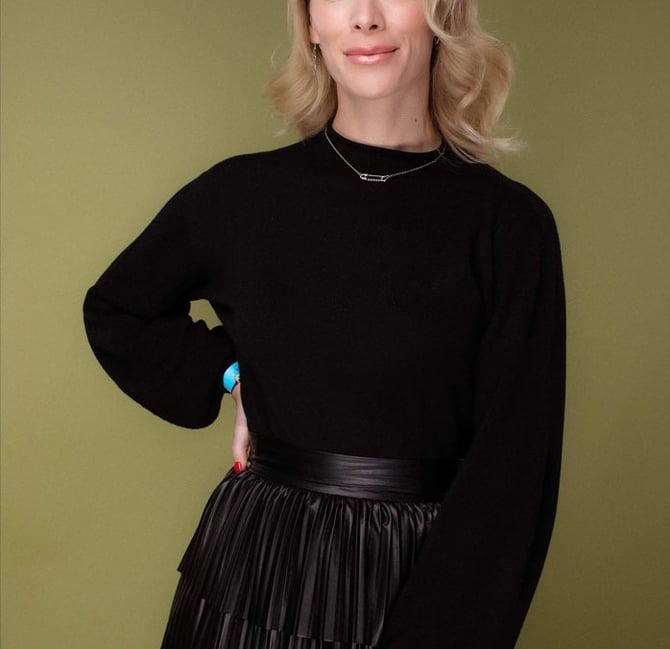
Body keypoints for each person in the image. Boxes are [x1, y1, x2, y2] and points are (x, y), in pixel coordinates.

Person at [82, 0, 566, 647]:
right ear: (311, 22)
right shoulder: (241, 196)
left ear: (443, 12)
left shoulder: (509, 228)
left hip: (417, 579)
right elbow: (117, 308)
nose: (365, 17)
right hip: (249, 573)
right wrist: (231, 373)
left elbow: (514, 476)